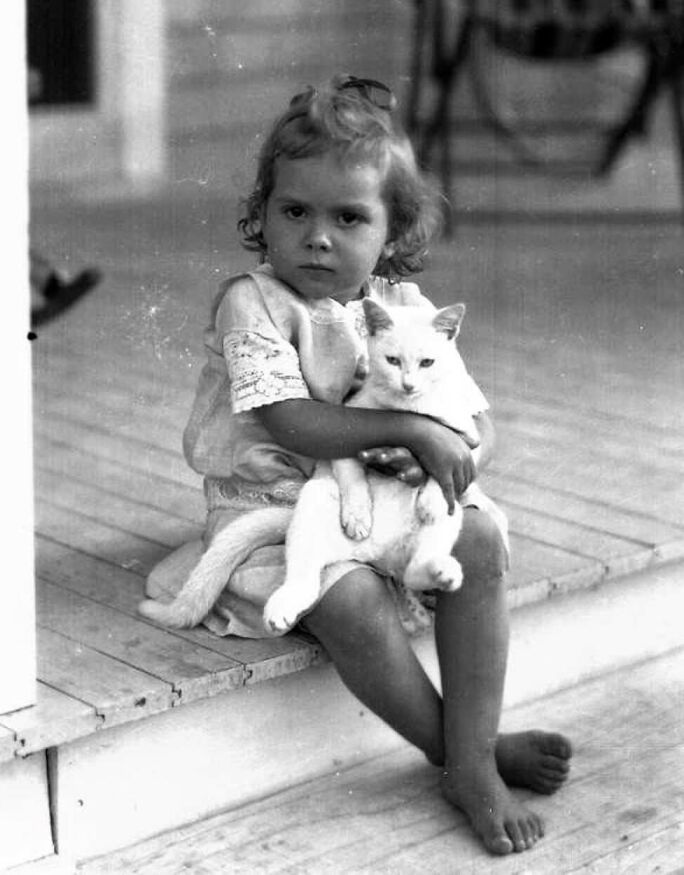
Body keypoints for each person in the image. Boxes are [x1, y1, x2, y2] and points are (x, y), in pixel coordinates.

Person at [146, 74, 572, 856]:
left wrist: (458, 452)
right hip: (271, 499)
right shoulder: (255, 302)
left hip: (381, 499)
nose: (317, 237)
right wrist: (414, 428)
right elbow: (291, 418)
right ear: (263, 215)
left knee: (476, 542)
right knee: (348, 605)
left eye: (349, 217)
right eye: (295, 211)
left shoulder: (403, 308)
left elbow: (475, 421)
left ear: (391, 230)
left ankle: (472, 743)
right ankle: (467, 757)